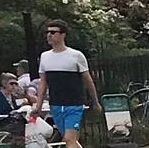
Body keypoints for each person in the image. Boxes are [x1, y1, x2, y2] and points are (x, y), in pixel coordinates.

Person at [35, 20, 101, 148]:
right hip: (56, 104)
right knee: (70, 139)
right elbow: (43, 82)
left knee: (69, 138)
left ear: (63, 35)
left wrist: (95, 102)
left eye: (53, 32)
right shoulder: (44, 57)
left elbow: (87, 80)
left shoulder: (76, 55)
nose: (49, 35)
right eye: (47, 32)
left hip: (74, 104)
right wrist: (38, 105)